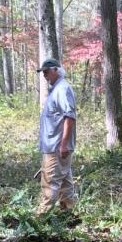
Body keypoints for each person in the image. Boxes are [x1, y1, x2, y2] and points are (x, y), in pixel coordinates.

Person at [36, 58, 77, 215]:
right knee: (65, 183)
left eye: (47, 72)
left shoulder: (62, 89)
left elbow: (70, 117)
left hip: (57, 147)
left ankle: (40, 220)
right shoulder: (56, 90)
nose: (45, 75)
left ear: (56, 70)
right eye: (43, 72)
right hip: (54, 146)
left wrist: (64, 144)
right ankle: (69, 216)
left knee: (50, 183)